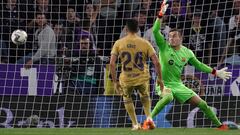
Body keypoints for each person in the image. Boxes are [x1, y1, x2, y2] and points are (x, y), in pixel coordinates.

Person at [143, 1, 232, 130]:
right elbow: (156, 31)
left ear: (181, 38)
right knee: (168, 97)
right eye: (169, 37)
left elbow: (199, 65)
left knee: (203, 104)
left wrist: (215, 72)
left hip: (178, 85)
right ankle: (148, 121)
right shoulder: (164, 47)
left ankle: (220, 125)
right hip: (163, 83)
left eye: (174, 36)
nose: (171, 39)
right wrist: (160, 15)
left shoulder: (187, 52)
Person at [110, 19, 164, 130]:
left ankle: (135, 124)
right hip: (142, 77)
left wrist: (115, 82)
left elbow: (111, 63)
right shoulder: (145, 42)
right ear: (138, 29)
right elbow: (157, 62)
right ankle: (149, 118)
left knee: (127, 98)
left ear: (126, 29)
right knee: (145, 97)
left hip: (127, 78)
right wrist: (160, 79)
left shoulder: (119, 43)